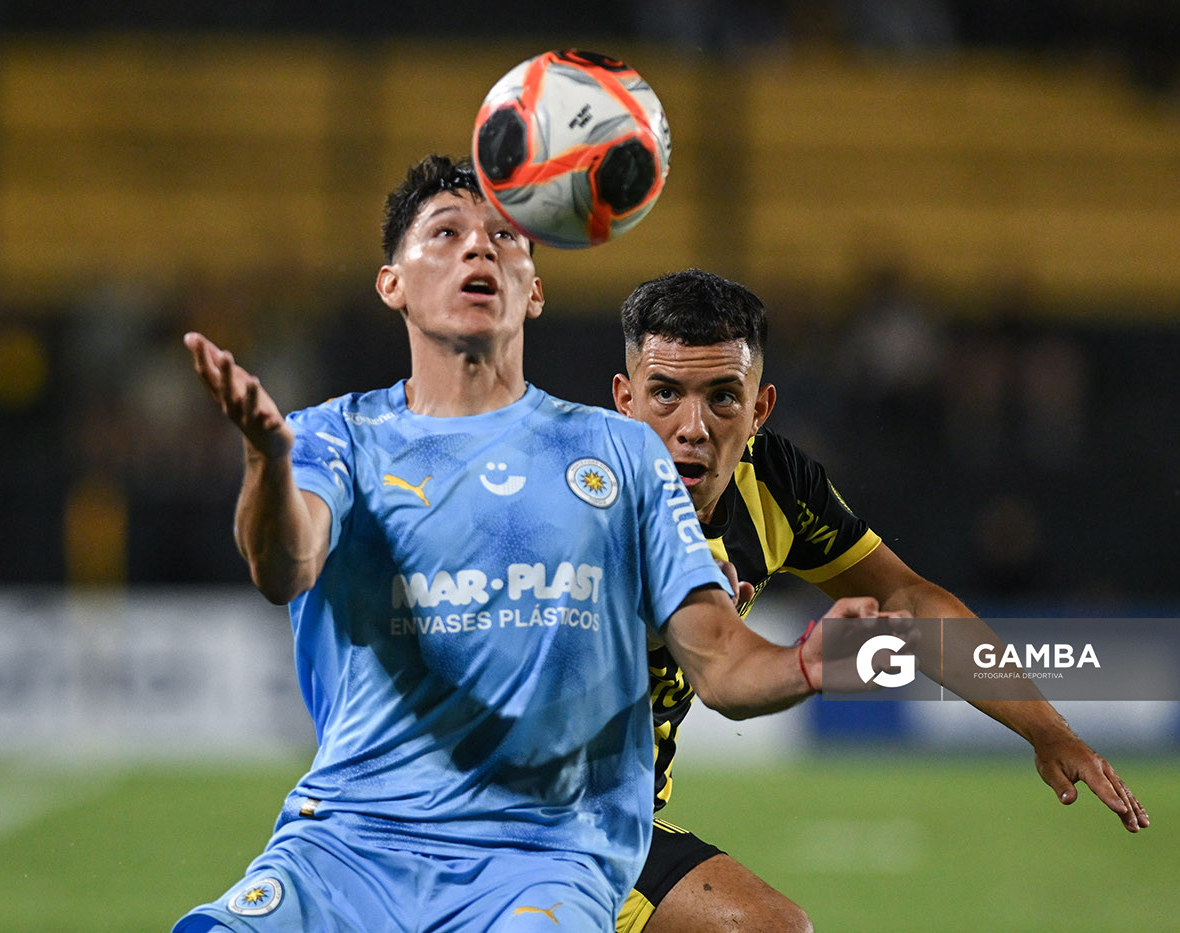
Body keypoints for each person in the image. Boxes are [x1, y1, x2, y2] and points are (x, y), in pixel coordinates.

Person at [172, 158, 882, 933]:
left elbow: (720, 659)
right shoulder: (332, 437)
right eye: (445, 234)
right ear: (392, 284)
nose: (478, 249)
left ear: (534, 289)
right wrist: (266, 463)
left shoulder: (620, 456)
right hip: (347, 843)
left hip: (541, 856)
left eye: (505, 237)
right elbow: (284, 568)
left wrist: (809, 660)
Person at [609, 268, 1150, 933]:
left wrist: (1046, 727)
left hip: (609, 819)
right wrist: (806, 661)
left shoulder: (777, 485)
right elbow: (722, 673)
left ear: (760, 410)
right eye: (665, 393)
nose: (692, 425)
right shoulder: (579, 495)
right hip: (509, 814)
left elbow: (911, 601)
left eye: (723, 396)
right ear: (624, 400)